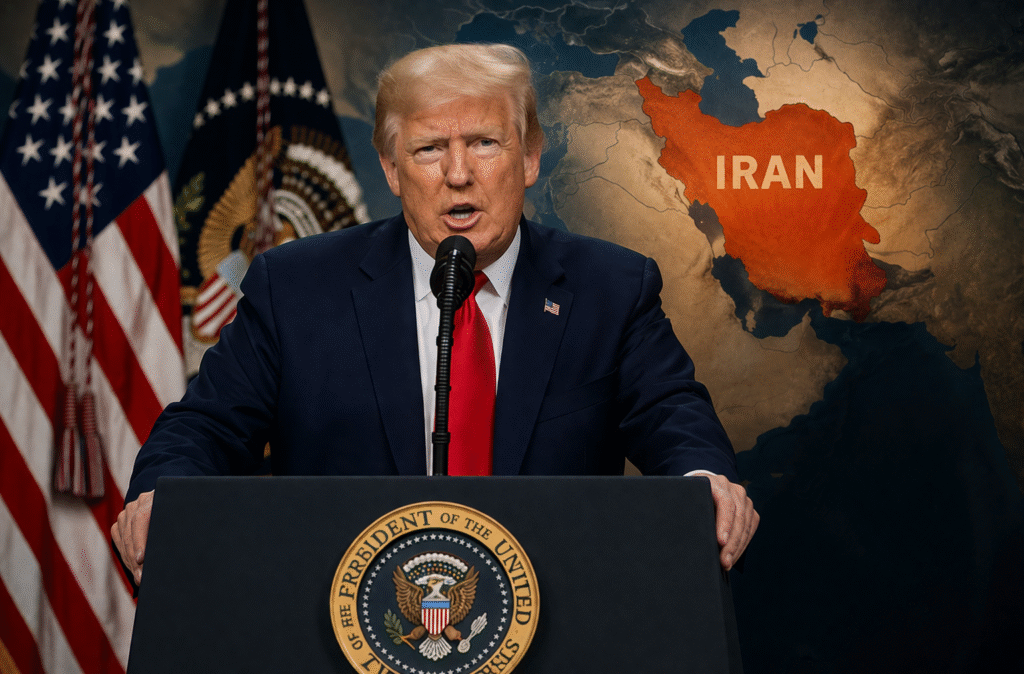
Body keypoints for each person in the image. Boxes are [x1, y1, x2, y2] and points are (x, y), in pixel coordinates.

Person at [112, 43, 758, 586]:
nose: (458, 174)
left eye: (484, 142)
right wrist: (163, 491)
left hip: (556, 614)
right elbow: (206, 424)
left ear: (529, 155)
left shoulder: (610, 286)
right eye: (428, 149)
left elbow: (673, 414)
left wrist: (704, 481)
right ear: (391, 168)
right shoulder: (297, 285)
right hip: (344, 620)